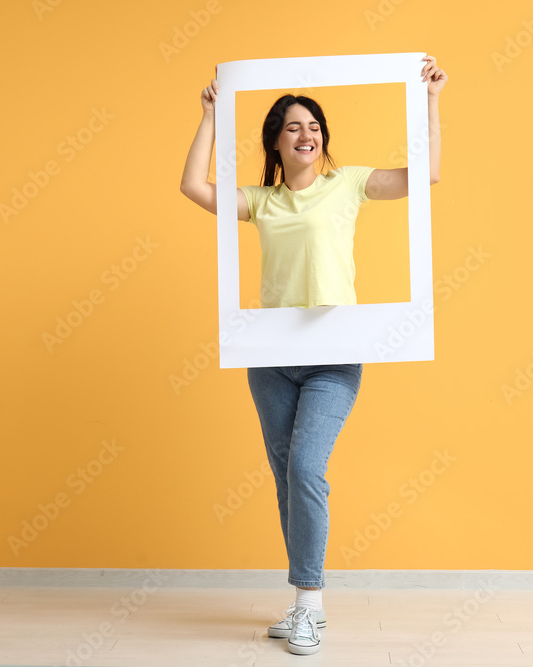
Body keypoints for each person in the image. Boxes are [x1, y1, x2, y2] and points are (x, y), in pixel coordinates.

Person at [180, 54, 447, 656]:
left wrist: (430, 99)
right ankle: (304, 603)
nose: (308, 135)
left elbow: (425, 175)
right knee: (285, 479)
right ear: (276, 142)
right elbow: (192, 186)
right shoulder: (262, 201)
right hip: (270, 357)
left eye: (315, 126)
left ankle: (309, 604)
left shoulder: (346, 184)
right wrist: (210, 115)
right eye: (294, 127)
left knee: (305, 469)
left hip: (333, 355)